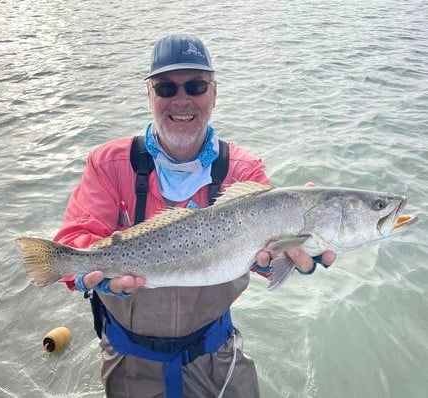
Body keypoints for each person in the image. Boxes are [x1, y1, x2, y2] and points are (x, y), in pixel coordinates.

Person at [54, 34, 336, 398]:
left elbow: (262, 258)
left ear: (214, 93)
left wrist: (280, 260)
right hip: (129, 360)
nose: (182, 99)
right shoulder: (108, 164)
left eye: (196, 85)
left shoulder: (244, 172)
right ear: (150, 95)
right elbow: (70, 246)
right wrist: (99, 277)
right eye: (166, 87)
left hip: (216, 354)